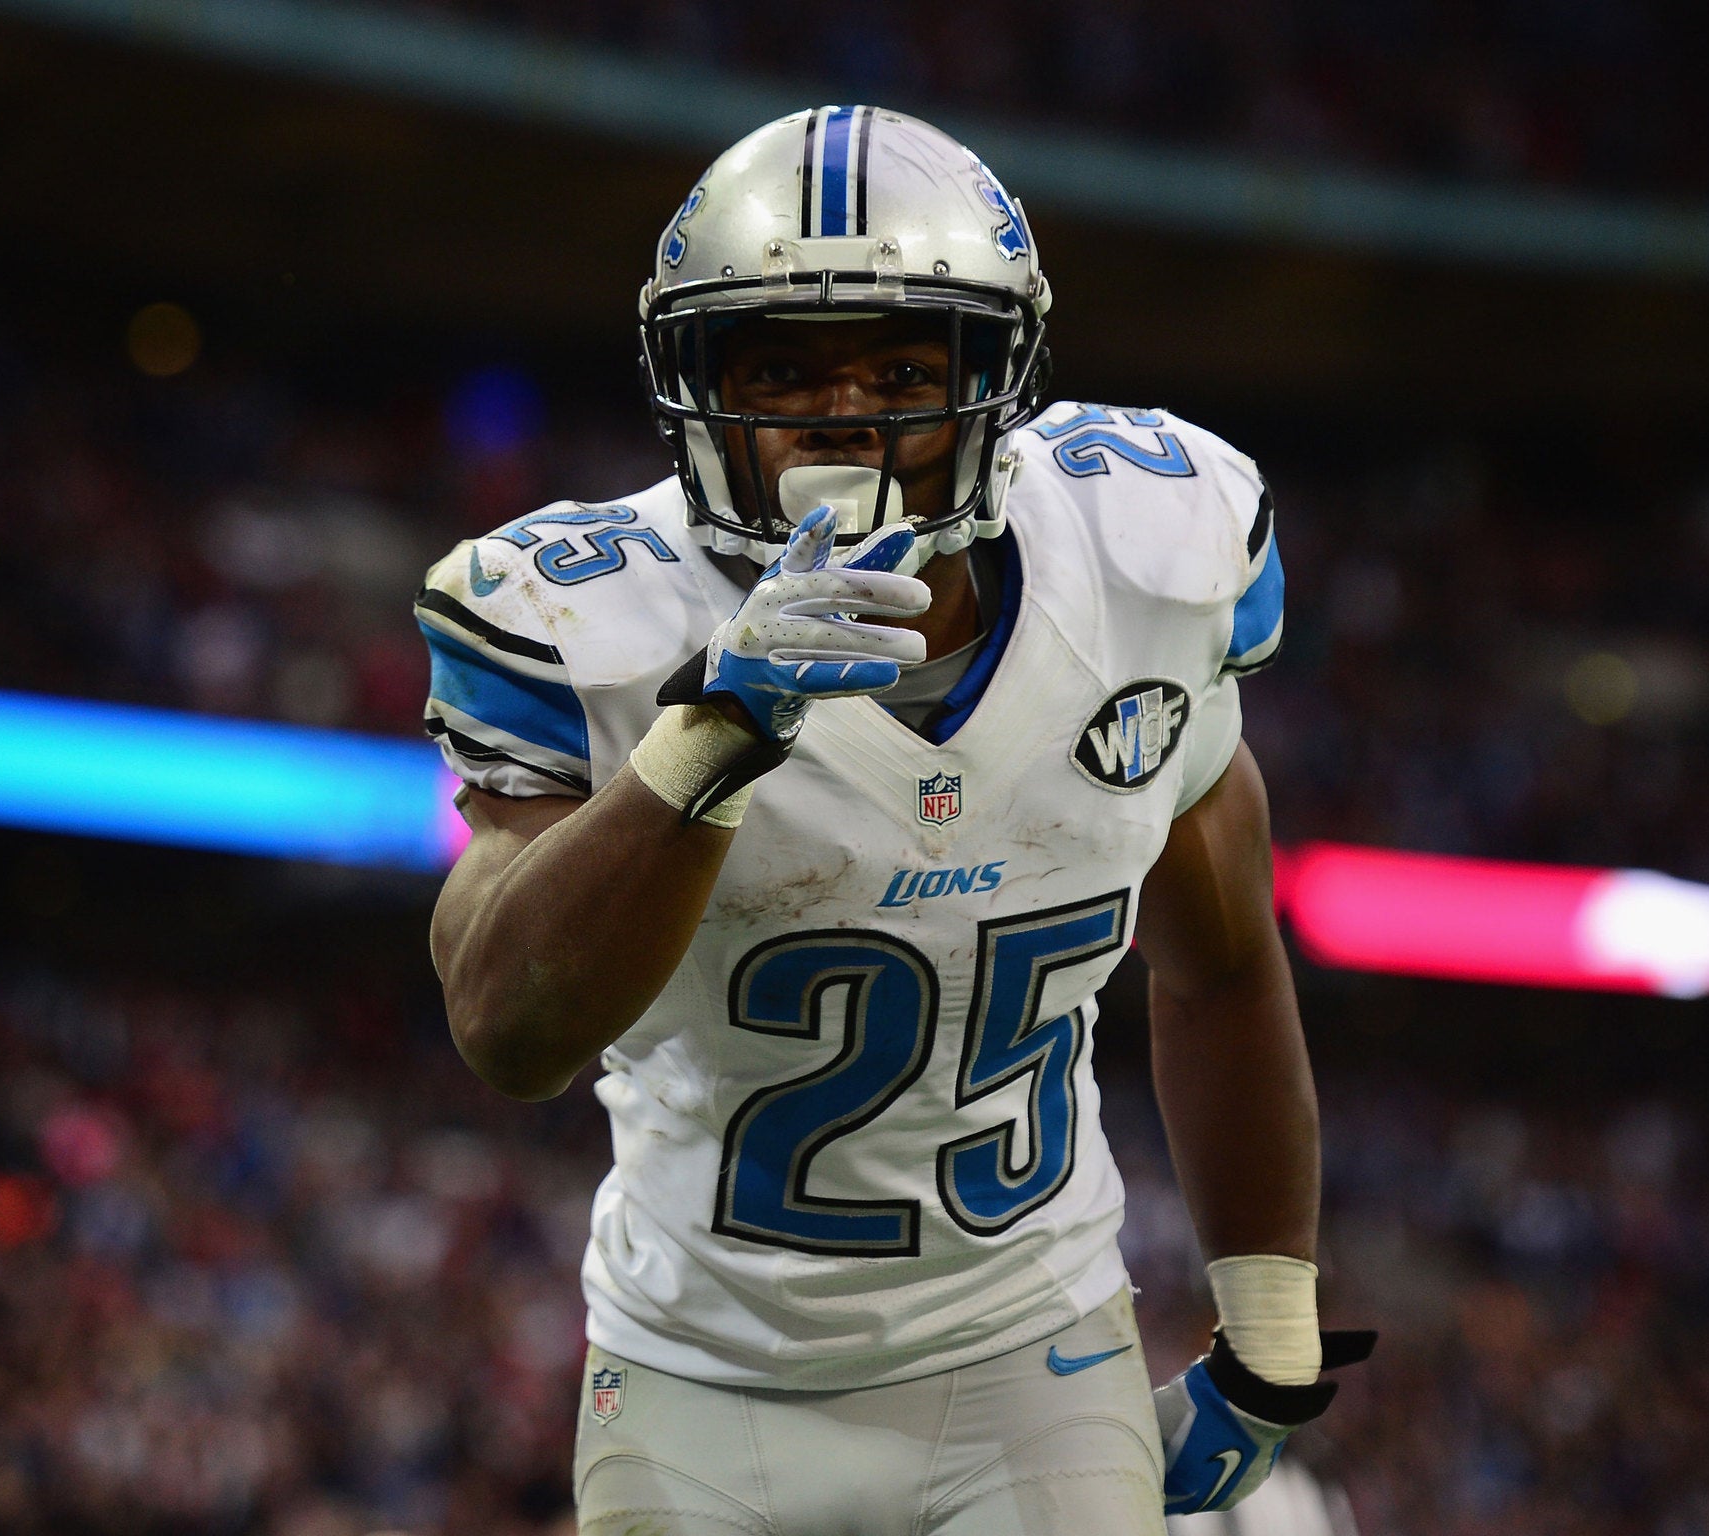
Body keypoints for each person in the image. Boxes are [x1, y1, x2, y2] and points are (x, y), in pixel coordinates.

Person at [419, 105, 1368, 1535]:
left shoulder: (1148, 557)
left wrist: (1268, 1314)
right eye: (782, 366)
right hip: (700, 1376)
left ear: (998, 377)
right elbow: (507, 1029)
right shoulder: (581, 617)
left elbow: (1222, 960)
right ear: (692, 382)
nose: (846, 411)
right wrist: (712, 737)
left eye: (906, 366)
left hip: (1032, 1357)